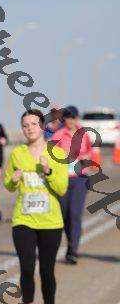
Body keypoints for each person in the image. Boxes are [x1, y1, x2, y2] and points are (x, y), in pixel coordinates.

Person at [4, 109, 68, 304]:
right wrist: (13, 181)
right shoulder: (17, 153)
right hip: (24, 219)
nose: (29, 128)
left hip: (50, 221)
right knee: (27, 267)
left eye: (33, 124)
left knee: (47, 270)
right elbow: (8, 184)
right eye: (25, 125)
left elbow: (62, 188)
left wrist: (48, 171)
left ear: (42, 126)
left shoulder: (56, 153)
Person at [51, 105, 92, 264]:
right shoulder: (59, 134)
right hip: (63, 179)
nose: (70, 120)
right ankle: (70, 243)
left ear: (77, 118)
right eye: (67, 117)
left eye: (73, 117)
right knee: (64, 215)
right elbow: (51, 155)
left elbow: (89, 152)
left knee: (75, 213)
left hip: (80, 178)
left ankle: (73, 249)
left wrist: (83, 157)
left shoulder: (83, 133)